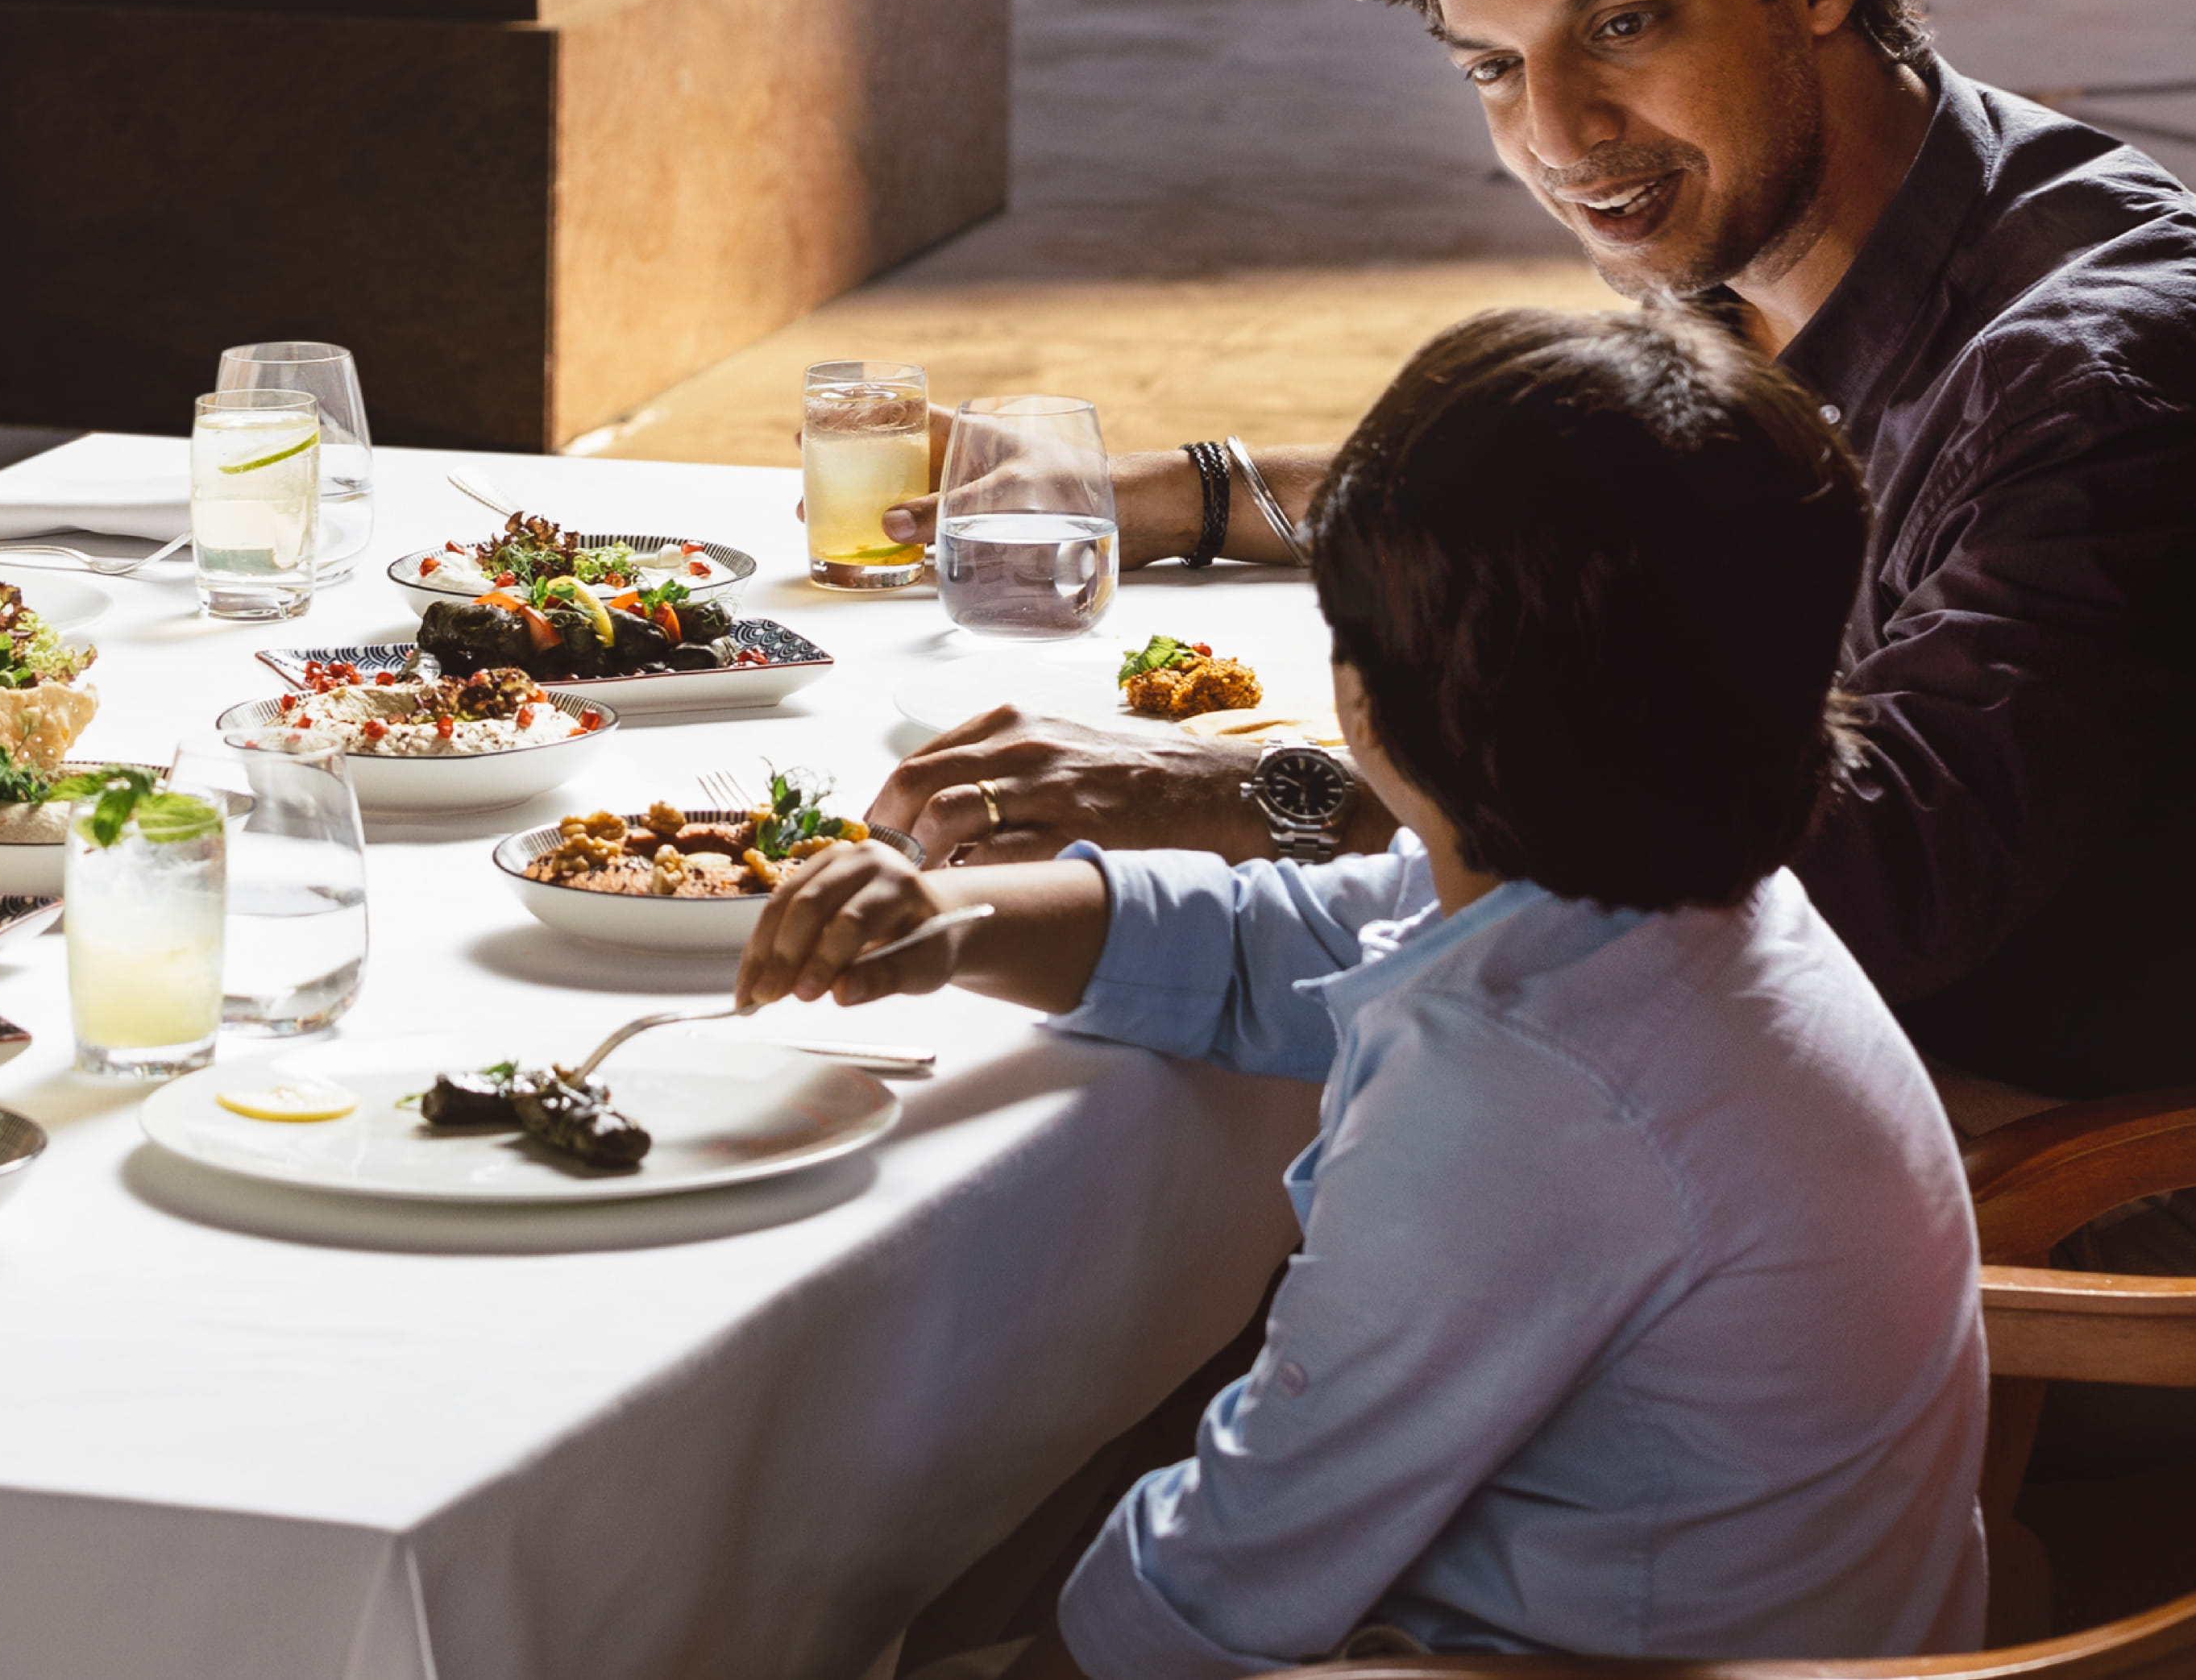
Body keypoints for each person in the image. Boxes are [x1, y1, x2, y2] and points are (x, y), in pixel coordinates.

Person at [882, 0, 2196, 1111]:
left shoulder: (2106, 377)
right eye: (1492, 67)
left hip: (2056, 1177)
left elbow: (1825, 886)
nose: (1558, 134)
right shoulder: (1789, 247)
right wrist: (1172, 499)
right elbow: (1553, 497)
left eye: (1618, 27)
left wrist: (1259, 795)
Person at [757, 305, 1989, 1678]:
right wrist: (951, 920)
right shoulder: (1673, 895)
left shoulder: (1524, 1092)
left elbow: (1225, 1580)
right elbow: (1271, 941)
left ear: (1356, 702)